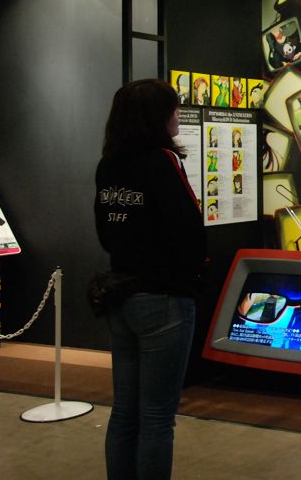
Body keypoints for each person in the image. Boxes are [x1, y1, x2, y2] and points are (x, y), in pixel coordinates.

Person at [93, 79, 207, 480]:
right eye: (173, 108)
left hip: (121, 295)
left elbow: (105, 234)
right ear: (157, 117)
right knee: (158, 416)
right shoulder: (163, 162)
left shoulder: (108, 165)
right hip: (164, 298)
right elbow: (188, 231)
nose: (177, 115)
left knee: (125, 412)